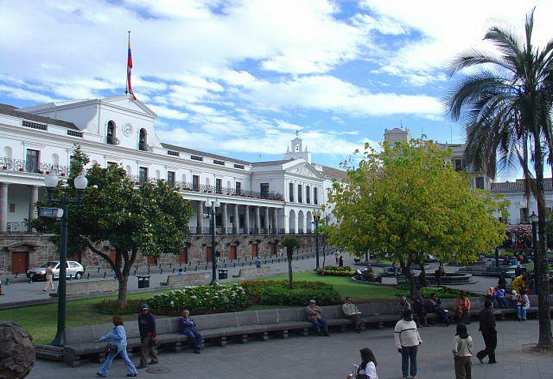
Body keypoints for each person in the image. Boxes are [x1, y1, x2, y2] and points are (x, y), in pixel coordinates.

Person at [394, 309, 422, 379]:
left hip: (414, 345)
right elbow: (396, 336)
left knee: (413, 360)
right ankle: (405, 375)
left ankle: (413, 375)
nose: (412, 316)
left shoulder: (413, 322)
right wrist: (398, 346)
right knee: (405, 361)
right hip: (405, 346)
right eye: (411, 315)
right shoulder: (399, 324)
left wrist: (419, 339)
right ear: (406, 316)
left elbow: (416, 332)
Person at [476, 300, 497, 364]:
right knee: (493, 346)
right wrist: (494, 330)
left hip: (484, 331)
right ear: (490, 305)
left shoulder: (482, 312)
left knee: (488, 345)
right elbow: (491, 323)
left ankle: (492, 360)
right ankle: (480, 355)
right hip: (490, 332)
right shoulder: (489, 312)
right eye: (492, 304)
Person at [137, 304, 158, 369]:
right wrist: (141, 336)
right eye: (143, 310)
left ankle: (143, 363)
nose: (144, 311)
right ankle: (155, 360)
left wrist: (154, 336)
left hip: (149, 335)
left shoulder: (151, 317)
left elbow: (153, 327)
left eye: (146, 310)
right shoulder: (140, 316)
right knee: (150, 347)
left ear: (148, 310)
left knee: (144, 349)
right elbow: (140, 327)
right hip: (143, 335)